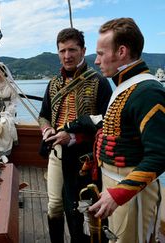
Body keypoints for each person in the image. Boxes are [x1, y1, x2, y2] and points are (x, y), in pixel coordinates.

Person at [89, 18, 165, 243]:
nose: (96, 60)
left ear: (122, 51)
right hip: (113, 183)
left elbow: (160, 154)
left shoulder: (147, 91)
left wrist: (119, 193)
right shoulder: (125, 85)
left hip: (133, 193)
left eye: (101, 53)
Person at [38, 28, 112, 243]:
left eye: (72, 50)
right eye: (62, 51)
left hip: (85, 158)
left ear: (83, 51)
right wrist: (47, 130)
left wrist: (72, 138)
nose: (67, 56)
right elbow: (43, 116)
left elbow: (106, 124)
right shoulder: (53, 84)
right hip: (56, 152)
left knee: (81, 208)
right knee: (54, 205)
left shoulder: (99, 82)